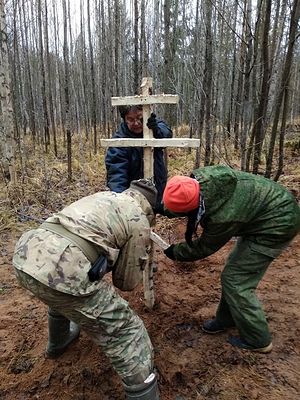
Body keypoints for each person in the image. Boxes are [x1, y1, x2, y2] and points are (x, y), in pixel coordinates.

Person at [12, 179, 160, 400]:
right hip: (63, 271)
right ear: (150, 208)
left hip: (27, 255)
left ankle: (59, 342)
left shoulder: (103, 196)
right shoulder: (138, 219)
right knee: (127, 330)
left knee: (63, 295)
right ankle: (145, 394)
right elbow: (126, 283)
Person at [162, 165, 300, 353]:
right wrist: (163, 208)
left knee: (236, 280)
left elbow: (204, 247)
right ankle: (229, 319)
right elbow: (186, 201)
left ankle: (258, 340)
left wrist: (175, 252)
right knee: (233, 271)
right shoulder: (204, 182)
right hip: (265, 211)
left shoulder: (223, 216)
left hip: (278, 224)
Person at [105, 105, 173, 207]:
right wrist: (121, 201)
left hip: (156, 188)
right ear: (124, 119)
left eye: (140, 118)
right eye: (131, 119)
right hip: (132, 196)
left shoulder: (153, 126)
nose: (136, 123)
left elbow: (166, 134)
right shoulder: (119, 141)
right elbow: (117, 173)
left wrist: (155, 130)